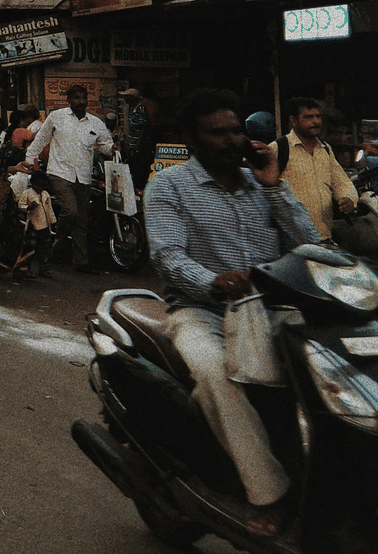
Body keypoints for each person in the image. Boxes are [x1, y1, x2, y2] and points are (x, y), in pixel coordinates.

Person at [144, 89, 317, 535]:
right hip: (201, 311)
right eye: (217, 132)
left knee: (325, 372)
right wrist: (212, 280)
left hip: (269, 310)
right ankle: (267, 493)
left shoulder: (262, 185)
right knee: (217, 377)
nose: (231, 139)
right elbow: (167, 255)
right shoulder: (169, 186)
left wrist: (275, 185)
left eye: (236, 130)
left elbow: (308, 242)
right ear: (192, 139)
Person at [24, 85, 113, 275]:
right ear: (69, 100)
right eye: (76, 98)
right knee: (71, 211)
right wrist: (29, 161)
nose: (80, 101)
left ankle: (80, 261)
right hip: (60, 172)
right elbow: (40, 140)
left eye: (83, 98)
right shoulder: (57, 117)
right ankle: (56, 244)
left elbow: (106, 145)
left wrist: (115, 151)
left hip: (84, 176)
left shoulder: (96, 123)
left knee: (82, 220)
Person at [275, 96, 358, 245]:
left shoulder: (325, 149)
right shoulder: (279, 148)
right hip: (291, 241)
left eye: (318, 116)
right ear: (294, 121)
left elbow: (341, 181)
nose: (315, 121)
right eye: (308, 117)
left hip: (324, 237)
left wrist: (348, 199)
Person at [118, 87, 156, 187]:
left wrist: (138, 144)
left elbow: (144, 128)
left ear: (132, 98)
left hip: (138, 147)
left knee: (137, 170)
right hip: (130, 146)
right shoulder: (131, 109)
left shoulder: (141, 110)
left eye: (126, 96)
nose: (124, 99)